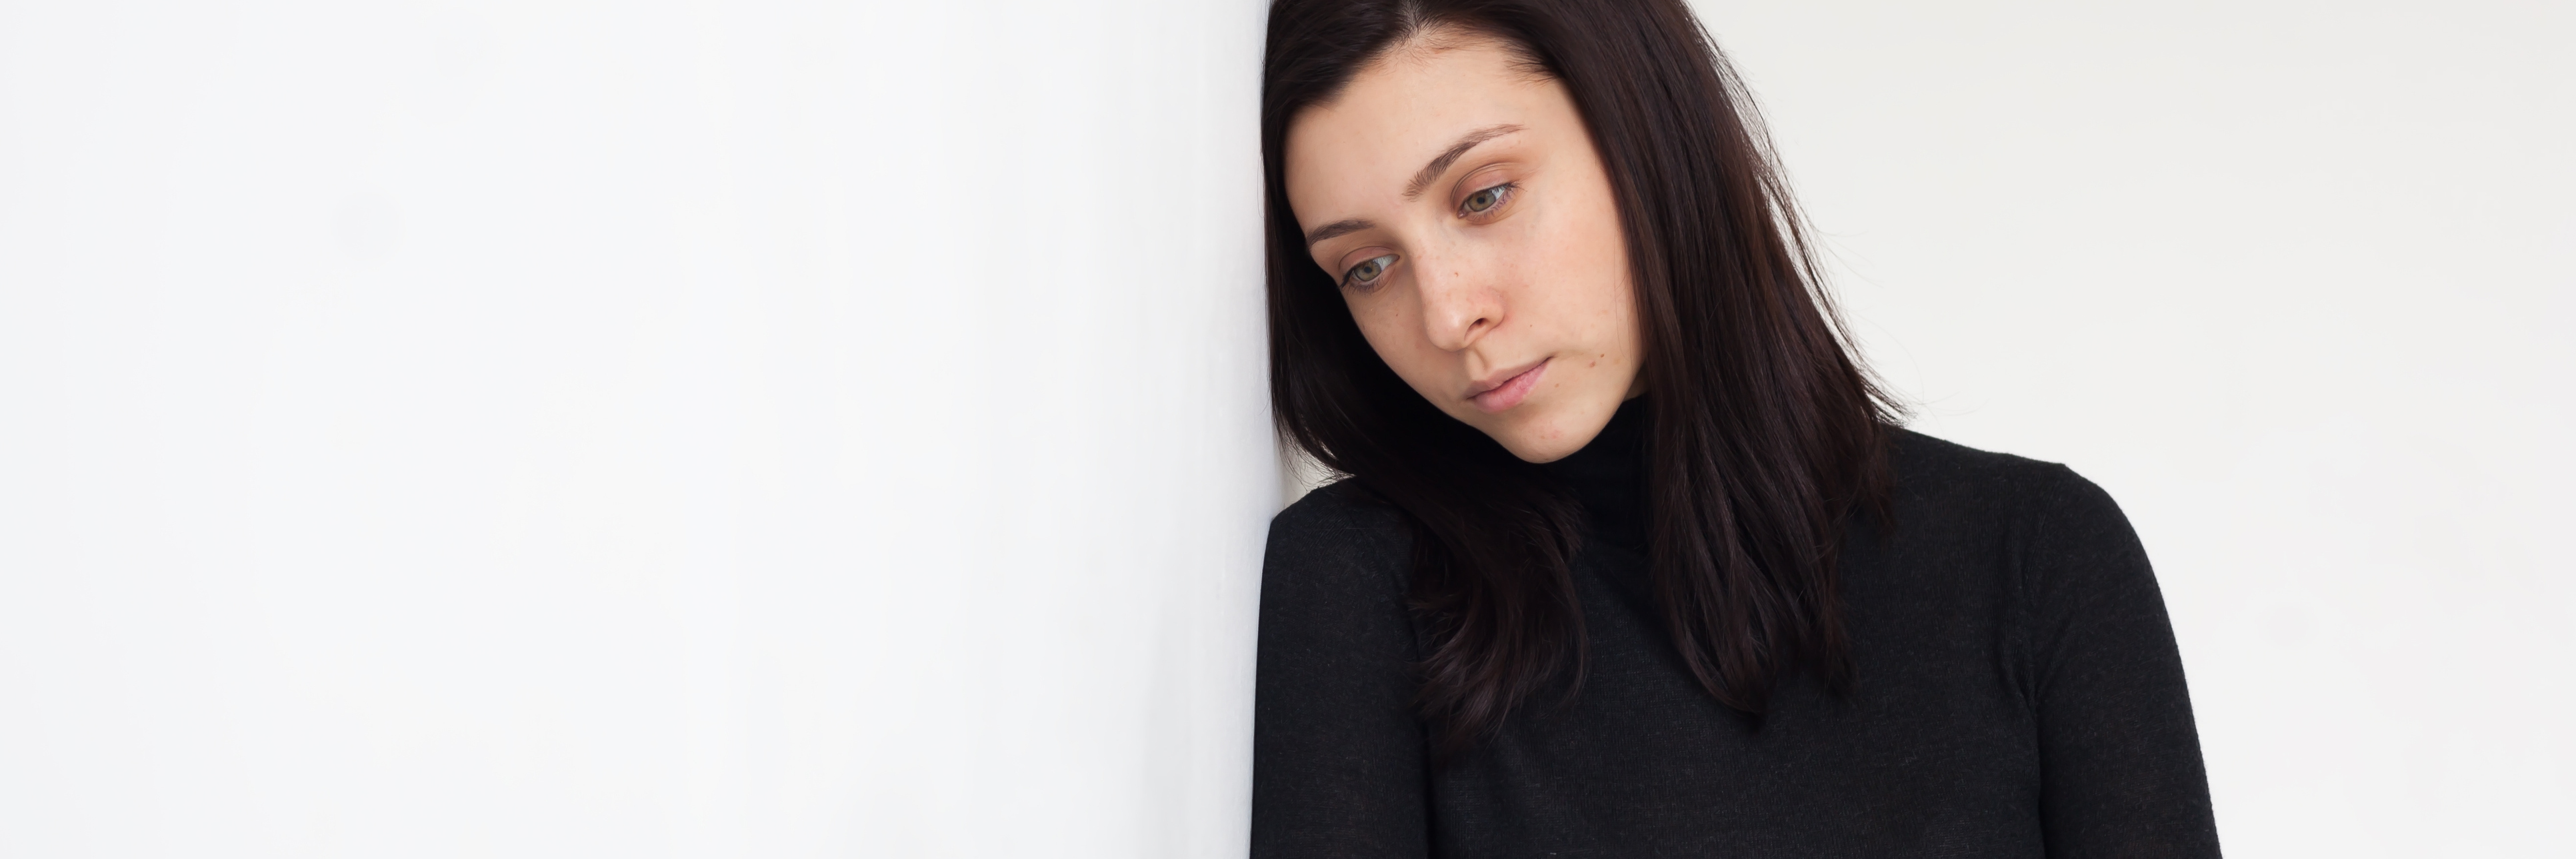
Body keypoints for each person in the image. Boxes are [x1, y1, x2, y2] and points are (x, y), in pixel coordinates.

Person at [1252, 0, 2222, 856]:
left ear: (1645, 131)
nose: (1444, 314)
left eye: (1485, 195)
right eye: (1367, 266)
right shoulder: (1362, 587)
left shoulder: (2036, 558)